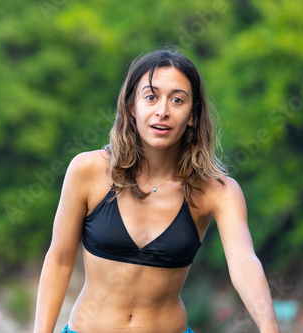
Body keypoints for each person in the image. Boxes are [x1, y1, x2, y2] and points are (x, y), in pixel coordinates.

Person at [34, 49, 280, 333]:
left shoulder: (217, 191)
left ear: (192, 115)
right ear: (131, 107)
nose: (162, 111)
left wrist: (268, 326)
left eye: (177, 100)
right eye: (151, 97)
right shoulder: (87, 171)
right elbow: (59, 260)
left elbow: (243, 261)